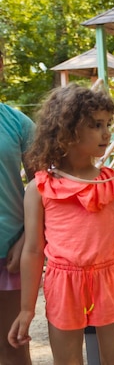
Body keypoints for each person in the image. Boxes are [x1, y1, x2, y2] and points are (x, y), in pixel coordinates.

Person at [8, 84, 114, 365]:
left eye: (108, 124)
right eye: (95, 125)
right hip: (62, 283)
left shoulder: (112, 181)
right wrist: (27, 310)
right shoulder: (40, 187)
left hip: (109, 279)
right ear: (67, 131)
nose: (106, 133)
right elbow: (32, 250)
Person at [0, 103, 35, 364]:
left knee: (12, 347)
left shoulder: (17, 123)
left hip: (9, 253)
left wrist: (26, 239)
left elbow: (44, 186)